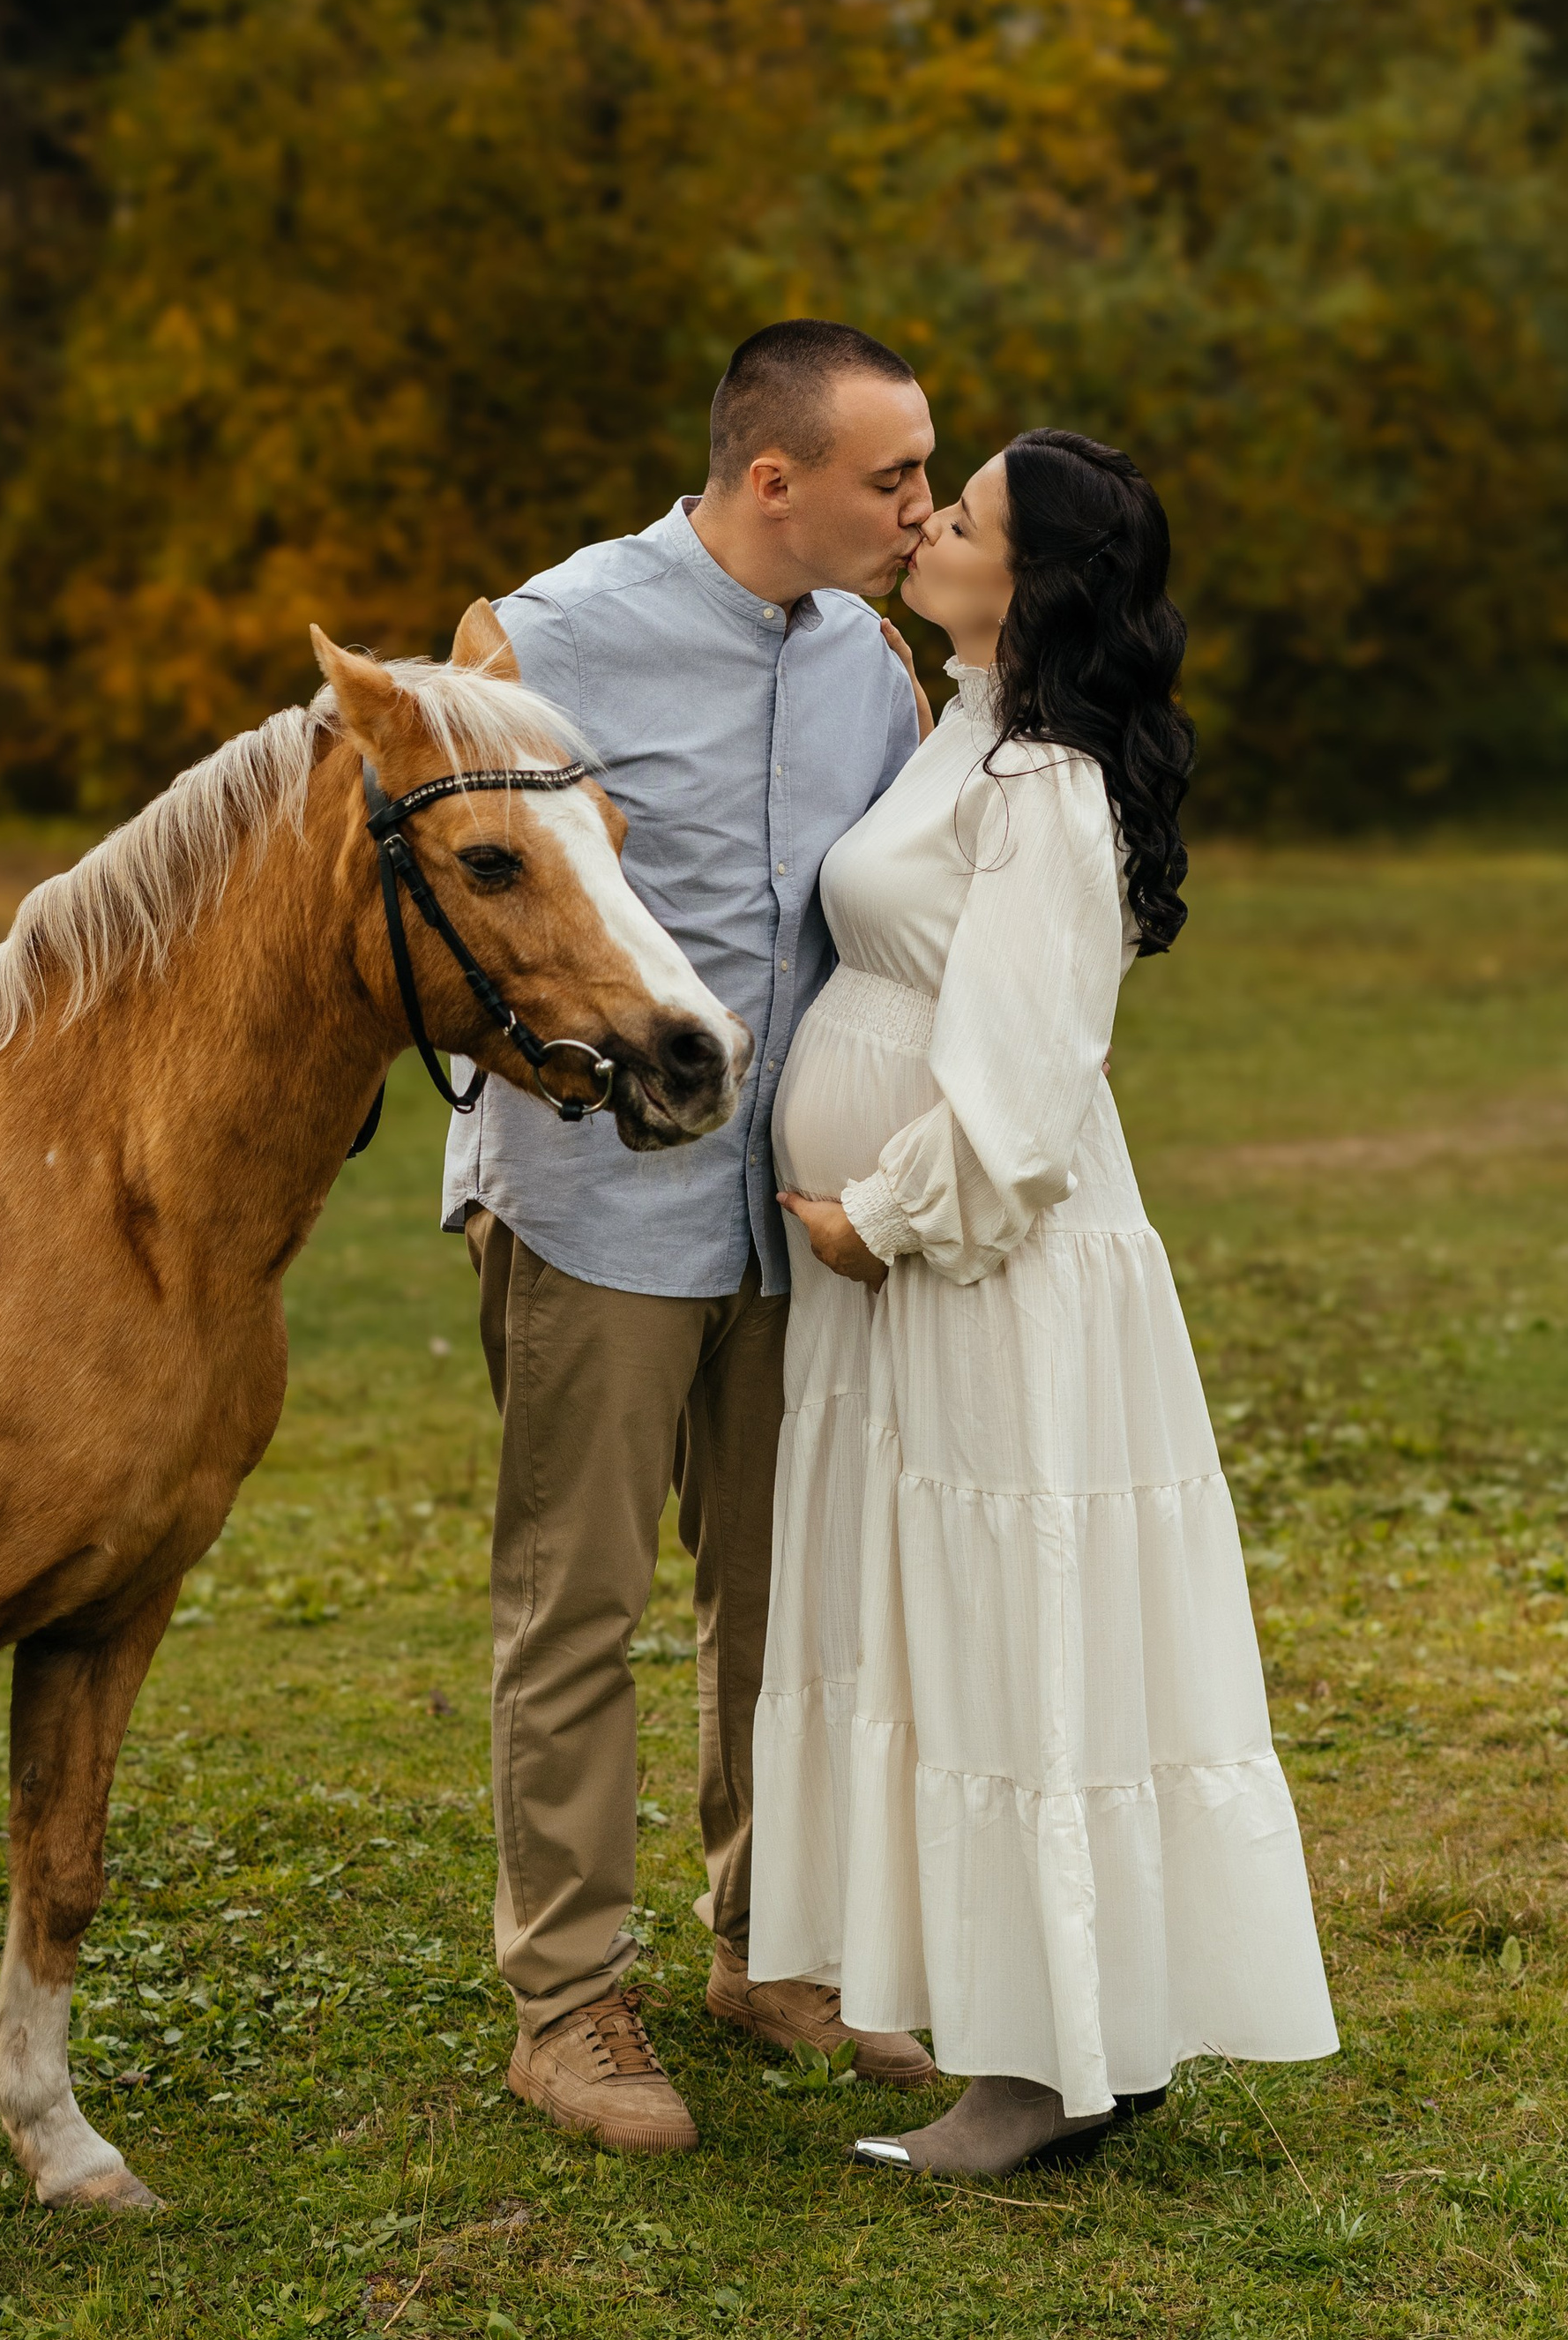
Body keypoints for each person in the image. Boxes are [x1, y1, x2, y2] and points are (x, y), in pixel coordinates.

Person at [750, 429, 1338, 2176]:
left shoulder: (1047, 789)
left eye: (966, 516)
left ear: (1037, 582)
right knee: (967, 1644)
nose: (926, 524)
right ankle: (1073, 2031)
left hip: (978, 1272)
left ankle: (1040, 2082)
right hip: (920, 1286)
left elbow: (1015, 1092)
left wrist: (873, 1216)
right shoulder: (972, 730)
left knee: (1020, 1653)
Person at [444, 321, 945, 2153]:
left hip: (798, 1222)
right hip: (594, 1204)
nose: (919, 505)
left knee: (785, 1597)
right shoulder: (541, 640)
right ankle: (567, 2005)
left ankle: (772, 1950)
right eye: (892, 476)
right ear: (772, 481)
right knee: (579, 1605)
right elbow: (432, 891)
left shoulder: (866, 665)